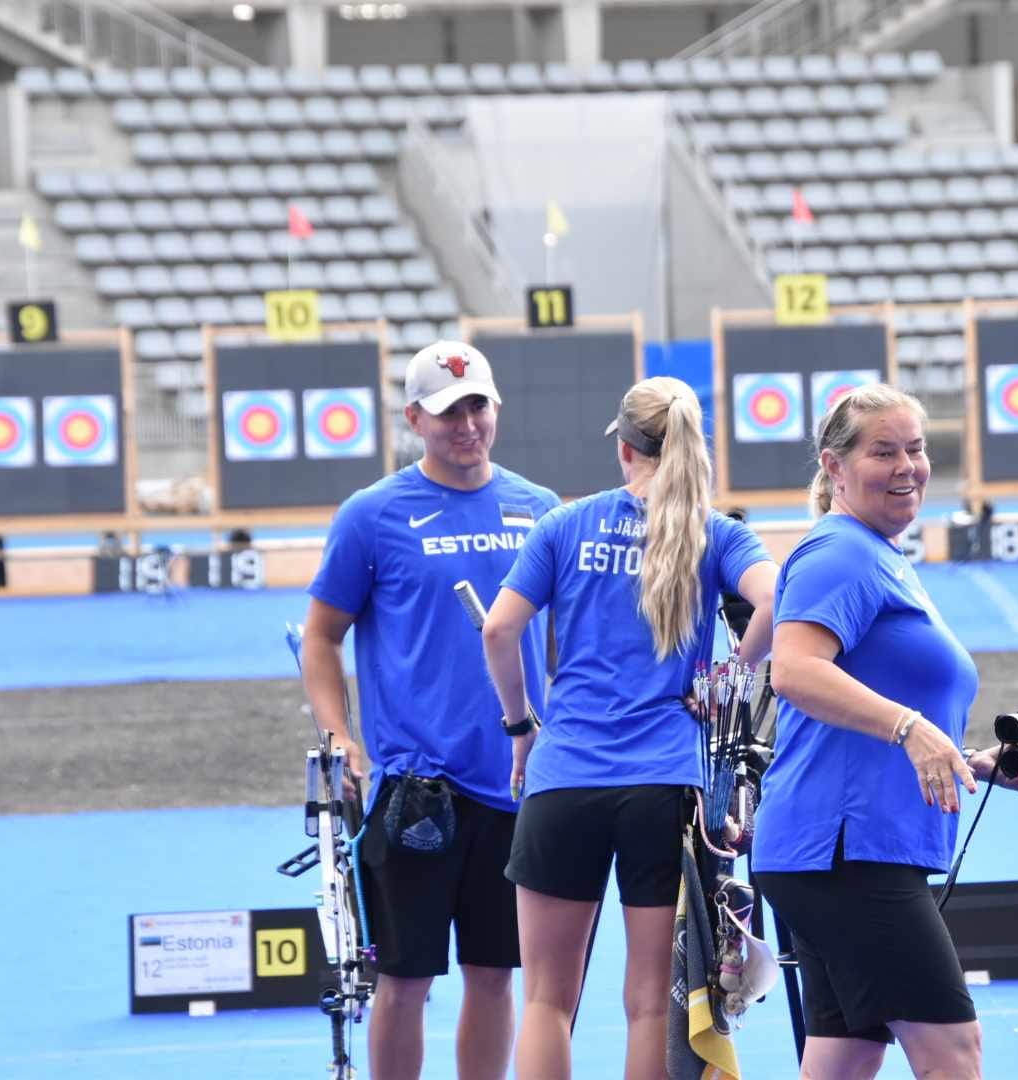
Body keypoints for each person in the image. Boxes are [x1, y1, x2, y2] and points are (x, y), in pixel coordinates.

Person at [481, 376, 778, 1079]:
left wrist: (520, 725)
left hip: (563, 780)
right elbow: (779, 595)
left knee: (547, 1000)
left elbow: (498, 630)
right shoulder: (716, 532)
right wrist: (730, 670)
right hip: (663, 787)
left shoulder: (564, 524)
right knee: (649, 1003)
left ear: (624, 448)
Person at [751, 385, 1018, 1080]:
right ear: (835, 466)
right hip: (846, 855)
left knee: (845, 1059)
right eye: (883, 451)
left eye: (915, 449)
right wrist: (911, 727)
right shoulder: (842, 554)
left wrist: (973, 760)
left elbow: (863, 711)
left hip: (834, 851)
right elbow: (793, 670)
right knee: (952, 1051)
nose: (907, 465)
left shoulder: (876, 555)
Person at [303, 340, 561, 1080]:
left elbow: (565, 645)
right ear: (415, 417)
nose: (466, 424)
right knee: (405, 982)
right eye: (447, 412)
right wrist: (340, 736)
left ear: (496, 408)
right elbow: (321, 637)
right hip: (415, 791)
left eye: (477, 405)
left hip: (518, 783)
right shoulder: (371, 515)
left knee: (495, 974)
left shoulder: (539, 509)